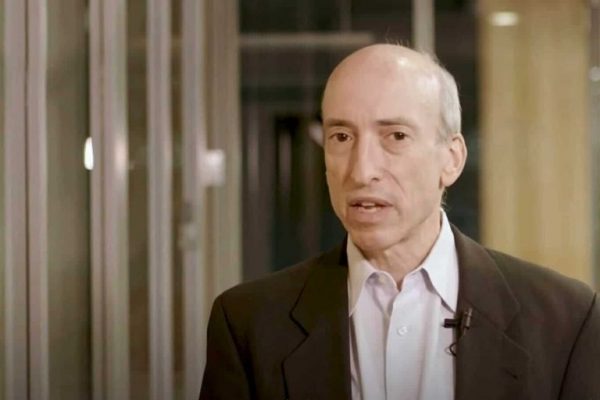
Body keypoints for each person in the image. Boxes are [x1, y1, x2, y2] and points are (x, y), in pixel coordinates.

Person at [199, 44, 600, 400]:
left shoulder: (565, 320)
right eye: (341, 137)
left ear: (451, 159)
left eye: (395, 136)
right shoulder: (248, 324)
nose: (361, 171)